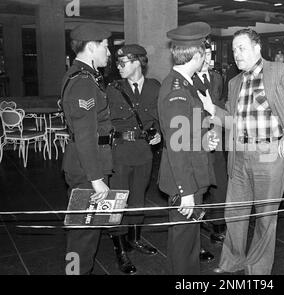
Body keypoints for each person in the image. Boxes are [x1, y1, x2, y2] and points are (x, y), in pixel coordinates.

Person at [198, 28, 284, 275]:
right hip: (239, 154)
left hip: (269, 153)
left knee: (265, 216)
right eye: (233, 50)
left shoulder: (279, 72)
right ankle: (232, 262)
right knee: (234, 213)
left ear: (257, 48)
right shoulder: (234, 82)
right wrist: (212, 109)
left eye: (241, 48)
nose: (236, 54)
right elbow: (232, 118)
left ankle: (257, 269)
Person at [158, 22, 218, 275]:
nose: (206, 57)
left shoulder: (185, 84)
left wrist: (205, 140)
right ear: (196, 55)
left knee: (185, 243)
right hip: (185, 179)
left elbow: (189, 131)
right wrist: (186, 192)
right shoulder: (177, 91)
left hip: (192, 172)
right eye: (205, 52)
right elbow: (177, 147)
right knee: (185, 246)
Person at [61, 23, 112, 275]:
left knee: (86, 233)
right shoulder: (84, 82)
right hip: (87, 170)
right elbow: (84, 135)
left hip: (87, 166)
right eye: (105, 46)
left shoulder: (84, 77)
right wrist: (96, 178)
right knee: (82, 236)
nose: (109, 52)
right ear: (91, 47)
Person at [106, 44, 161, 274]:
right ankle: (120, 250)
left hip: (143, 151)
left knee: (138, 197)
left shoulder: (154, 86)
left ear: (138, 62)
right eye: (117, 63)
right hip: (119, 152)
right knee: (117, 200)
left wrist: (158, 132)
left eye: (124, 63)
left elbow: (160, 115)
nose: (119, 67)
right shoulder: (112, 88)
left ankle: (135, 238)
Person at [192, 42, 227, 250]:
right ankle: (195, 229)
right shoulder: (188, 79)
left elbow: (221, 103)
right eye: (202, 54)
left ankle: (218, 226)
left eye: (208, 54)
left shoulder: (217, 78)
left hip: (217, 136)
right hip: (197, 138)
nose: (206, 58)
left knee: (219, 183)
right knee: (198, 185)